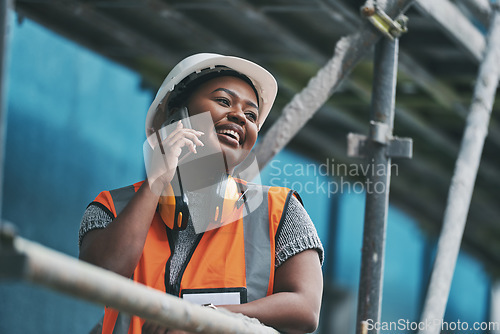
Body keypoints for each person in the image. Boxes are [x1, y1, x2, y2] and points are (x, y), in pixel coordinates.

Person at [79, 53, 324, 334]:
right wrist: (157, 179)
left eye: (251, 115)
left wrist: (204, 318)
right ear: (177, 114)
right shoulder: (112, 207)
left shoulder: (280, 211)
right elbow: (98, 279)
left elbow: (305, 309)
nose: (239, 117)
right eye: (223, 101)